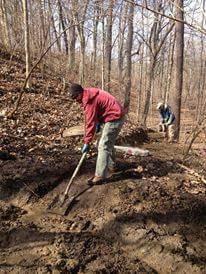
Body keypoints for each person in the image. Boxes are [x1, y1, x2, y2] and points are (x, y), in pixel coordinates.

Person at [69, 83, 125, 185]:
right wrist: (98, 121)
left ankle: (100, 175)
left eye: (75, 97)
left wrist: (87, 142)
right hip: (112, 115)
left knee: (103, 144)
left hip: (115, 117)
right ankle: (112, 166)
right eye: (73, 98)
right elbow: (99, 109)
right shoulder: (88, 93)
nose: (75, 100)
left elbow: (90, 123)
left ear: (80, 93)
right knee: (106, 142)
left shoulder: (89, 100)